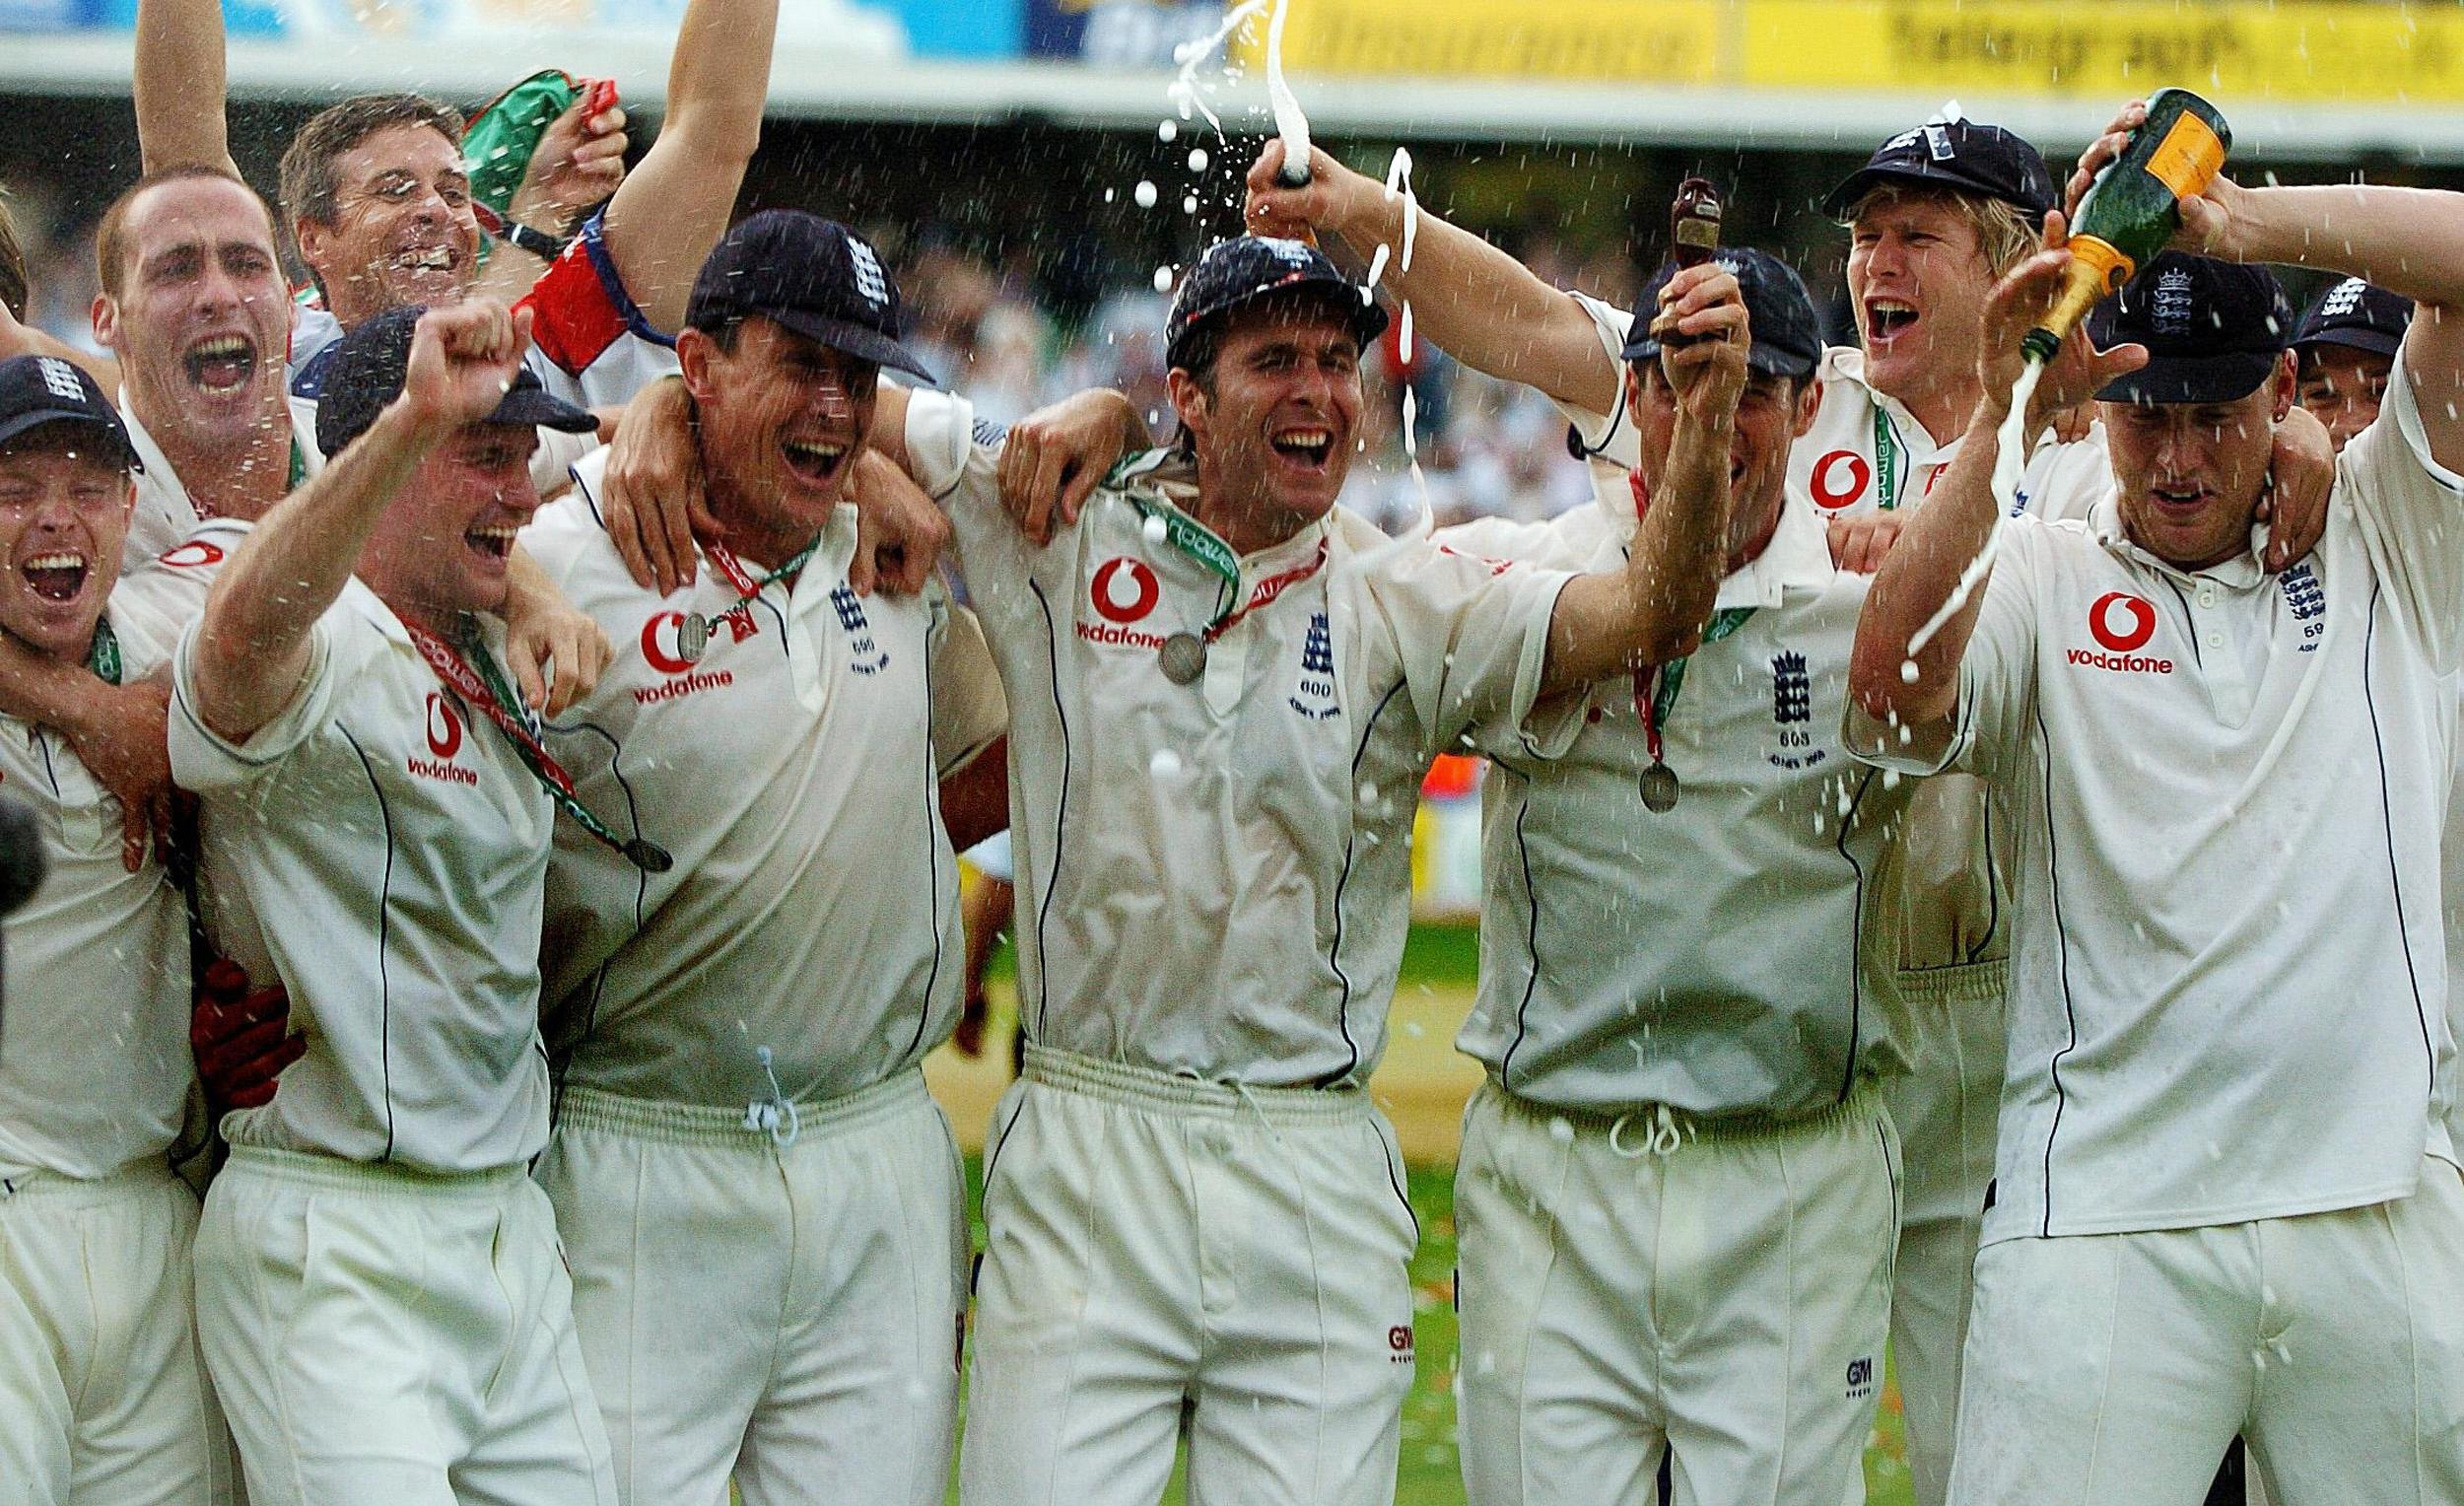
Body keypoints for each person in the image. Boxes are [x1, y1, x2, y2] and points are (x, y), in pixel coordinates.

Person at [1239, 129, 2329, 1505]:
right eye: (1865, 231)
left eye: (1918, 231)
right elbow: (1524, 322)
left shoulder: (2083, 439)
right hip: (1812, 1027)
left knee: (1987, 1469)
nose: (1877, 259)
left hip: (2012, 1052)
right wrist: (1357, 214)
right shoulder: (1782, 390)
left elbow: (2253, 464)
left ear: (2006, 258)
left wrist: (2303, 443)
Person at [883, 231, 1753, 1504]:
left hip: (1311, 1169)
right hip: (1087, 1140)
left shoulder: (1404, 598)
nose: (1319, 392)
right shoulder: (1057, 520)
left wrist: (1715, 421)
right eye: (1272, 360)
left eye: (1339, 362)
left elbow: (1653, 618)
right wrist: (684, 425)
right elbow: (826, 393)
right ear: (1188, 393)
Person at [1847, 113, 2464, 1501]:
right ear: (2099, 406)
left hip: (2373, 1200)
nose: (2179, 459)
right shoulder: (2049, 564)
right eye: (2147, 413)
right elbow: (1890, 692)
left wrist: (2237, 222)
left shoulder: (2387, 527)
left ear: (2287, 389)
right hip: (2107, 1217)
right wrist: (2007, 393)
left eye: (2219, 411)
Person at [517, 209, 1026, 1505]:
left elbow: (983, 776)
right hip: (640, 1153)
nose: (833, 406)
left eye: (857, 377)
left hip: (875, 1154)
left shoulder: (893, 555)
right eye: (797, 364)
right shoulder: (568, 560)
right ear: (694, 366)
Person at [171, 299, 616, 1504]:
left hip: (506, 1230)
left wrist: (527, 592)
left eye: (524, 455)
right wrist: (418, 414)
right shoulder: (319, 634)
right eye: (486, 453)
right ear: (383, 456)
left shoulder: (480, 633)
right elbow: (233, 649)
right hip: (338, 1240)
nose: (522, 494)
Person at [0, 355, 229, 1505]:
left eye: (90, 486)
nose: (55, 516)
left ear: (133, 509)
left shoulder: (173, 620)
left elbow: (389, 541)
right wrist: (80, 706)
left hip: (153, 1215)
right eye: (13, 485)